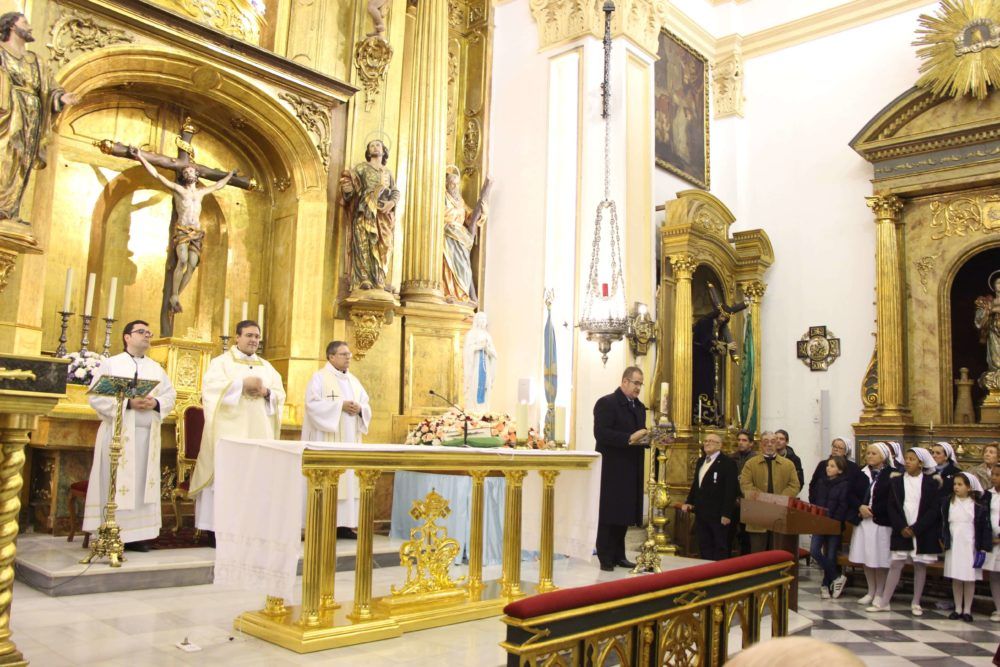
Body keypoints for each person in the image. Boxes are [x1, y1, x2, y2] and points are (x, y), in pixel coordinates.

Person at [82, 320, 176, 552]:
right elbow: (96, 397)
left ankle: (138, 535)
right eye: (141, 332)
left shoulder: (156, 369)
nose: (147, 336)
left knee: (142, 483)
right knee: (114, 482)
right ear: (127, 337)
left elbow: (170, 396)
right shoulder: (111, 364)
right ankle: (110, 531)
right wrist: (127, 403)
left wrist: (155, 402)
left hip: (147, 438)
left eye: (149, 332)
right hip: (118, 436)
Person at [190, 320, 286, 533]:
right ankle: (216, 528)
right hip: (229, 432)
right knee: (226, 479)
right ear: (237, 337)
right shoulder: (221, 363)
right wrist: (241, 385)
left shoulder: (267, 367)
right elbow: (210, 390)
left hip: (259, 432)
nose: (254, 340)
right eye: (249, 335)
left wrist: (266, 392)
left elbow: (280, 395)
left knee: (255, 479)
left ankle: (250, 527)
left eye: (257, 336)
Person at [301, 341, 372, 539]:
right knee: (330, 479)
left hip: (350, 440)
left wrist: (361, 410)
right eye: (343, 354)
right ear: (331, 357)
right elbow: (312, 405)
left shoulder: (353, 381)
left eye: (349, 354)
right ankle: (324, 523)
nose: (348, 357)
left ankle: (345, 525)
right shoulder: (319, 378)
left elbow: (366, 404)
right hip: (327, 439)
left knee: (348, 480)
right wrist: (339, 406)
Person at [868, 447, 942, 615]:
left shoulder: (931, 483)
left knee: (919, 565)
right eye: (907, 458)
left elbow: (933, 509)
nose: (907, 462)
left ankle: (916, 601)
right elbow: (892, 506)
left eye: (912, 459)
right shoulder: (897, 481)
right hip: (902, 528)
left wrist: (916, 528)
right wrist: (901, 526)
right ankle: (884, 601)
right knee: (896, 563)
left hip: (921, 530)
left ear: (921, 463)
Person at [594, 366, 649, 571]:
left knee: (625, 513)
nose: (638, 388)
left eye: (640, 384)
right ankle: (605, 556)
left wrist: (650, 439)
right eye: (636, 383)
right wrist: (629, 438)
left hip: (632, 467)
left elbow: (640, 436)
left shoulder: (639, 407)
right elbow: (601, 433)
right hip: (612, 468)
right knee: (609, 513)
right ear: (624, 381)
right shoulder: (607, 403)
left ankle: (619, 554)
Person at [740, 430, 801, 552]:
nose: (769, 444)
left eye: (773, 441)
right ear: (760, 444)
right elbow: (745, 485)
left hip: (780, 513)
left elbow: (794, 485)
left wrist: (779, 499)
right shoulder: (750, 464)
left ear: (776, 444)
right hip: (758, 513)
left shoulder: (788, 464)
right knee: (758, 552)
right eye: (766, 441)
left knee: (778, 552)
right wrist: (764, 498)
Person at [848, 443, 893, 606]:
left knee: (879, 558)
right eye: (868, 453)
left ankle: (880, 592)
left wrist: (873, 510)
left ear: (883, 456)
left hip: (880, 521)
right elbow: (850, 493)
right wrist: (860, 506)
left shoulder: (891, 474)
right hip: (863, 520)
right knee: (867, 556)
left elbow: (891, 498)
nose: (870, 456)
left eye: (874, 453)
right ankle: (870, 590)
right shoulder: (860, 473)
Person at [942, 472, 991, 622]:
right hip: (954, 544)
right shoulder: (948, 502)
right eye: (955, 484)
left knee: (969, 578)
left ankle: (967, 609)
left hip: (970, 545)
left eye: (960, 484)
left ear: (969, 487)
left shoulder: (977, 506)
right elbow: (944, 523)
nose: (956, 487)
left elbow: (984, 527)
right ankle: (957, 608)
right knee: (956, 577)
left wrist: (983, 547)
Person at [681, 433, 738, 560]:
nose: (707, 443)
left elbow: (731, 490)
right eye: (706, 441)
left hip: (719, 513)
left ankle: (720, 570)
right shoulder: (701, 461)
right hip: (702, 511)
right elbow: (697, 484)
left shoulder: (728, 463)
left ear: (719, 445)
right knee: (704, 544)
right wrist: (689, 501)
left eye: (711, 441)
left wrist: (726, 513)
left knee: (719, 545)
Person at [809, 455, 853, 598]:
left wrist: (833, 521)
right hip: (820, 522)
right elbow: (815, 499)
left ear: (840, 470)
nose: (828, 468)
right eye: (828, 465)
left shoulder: (845, 484)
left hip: (834, 524)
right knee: (814, 551)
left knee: (831, 554)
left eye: (832, 466)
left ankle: (825, 585)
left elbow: (843, 505)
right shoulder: (821, 482)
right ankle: (836, 577)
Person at [808, 437, 862, 505]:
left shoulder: (852, 467)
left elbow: (854, 490)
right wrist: (813, 502)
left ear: (846, 452)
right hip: (820, 505)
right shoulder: (823, 464)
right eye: (834, 446)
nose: (835, 449)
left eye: (840, 448)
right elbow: (813, 484)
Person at [731, 430, 755, 555]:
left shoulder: (755, 459)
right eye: (739, 440)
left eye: (744, 440)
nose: (740, 442)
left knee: (747, 535)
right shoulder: (731, 458)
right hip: (734, 500)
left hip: (749, 501)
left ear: (751, 443)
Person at [983, 464, 1000, 622]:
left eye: (997, 475)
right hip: (992, 541)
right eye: (992, 474)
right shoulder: (988, 495)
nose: (993, 477)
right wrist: (989, 537)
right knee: (994, 574)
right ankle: (998, 608)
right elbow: (985, 516)